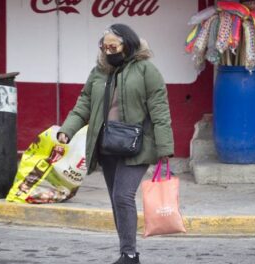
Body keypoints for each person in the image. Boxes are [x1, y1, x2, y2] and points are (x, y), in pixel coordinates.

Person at [57, 23, 174, 264]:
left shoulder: (146, 70)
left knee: (123, 196)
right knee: (116, 200)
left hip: (138, 144)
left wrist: (164, 147)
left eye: (113, 46)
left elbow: (160, 110)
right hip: (108, 144)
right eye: (104, 46)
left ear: (127, 44)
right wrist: (66, 130)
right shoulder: (99, 71)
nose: (108, 51)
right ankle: (126, 252)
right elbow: (84, 104)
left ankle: (130, 255)